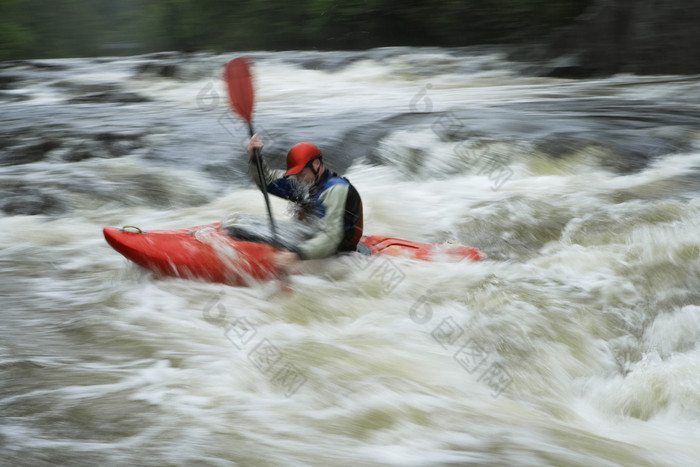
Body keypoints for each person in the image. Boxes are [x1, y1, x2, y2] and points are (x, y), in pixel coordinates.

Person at [246, 134, 363, 272]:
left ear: (316, 164)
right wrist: (256, 158)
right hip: (311, 241)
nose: (298, 179)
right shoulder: (303, 182)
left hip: (340, 254)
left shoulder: (336, 189)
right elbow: (268, 182)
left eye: (301, 173)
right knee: (245, 224)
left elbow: (331, 238)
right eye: (296, 174)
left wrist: (297, 255)